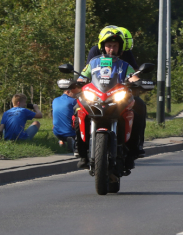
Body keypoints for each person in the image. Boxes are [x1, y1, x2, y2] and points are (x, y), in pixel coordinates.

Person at [87, 25, 147, 158]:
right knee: (78, 107)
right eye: (109, 45)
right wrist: (78, 83)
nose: (112, 49)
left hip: (119, 94)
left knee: (139, 106)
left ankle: (136, 145)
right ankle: (79, 146)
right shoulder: (94, 54)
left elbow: (134, 74)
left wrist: (137, 82)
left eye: (116, 45)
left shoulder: (126, 55)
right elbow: (86, 73)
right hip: (97, 94)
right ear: (102, 45)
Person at [51, 84, 80, 153]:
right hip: (71, 132)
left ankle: (61, 140)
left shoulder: (55, 100)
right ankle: (73, 140)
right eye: (75, 93)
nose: (76, 95)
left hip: (56, 132)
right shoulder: (73, 101)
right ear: (68, 91)